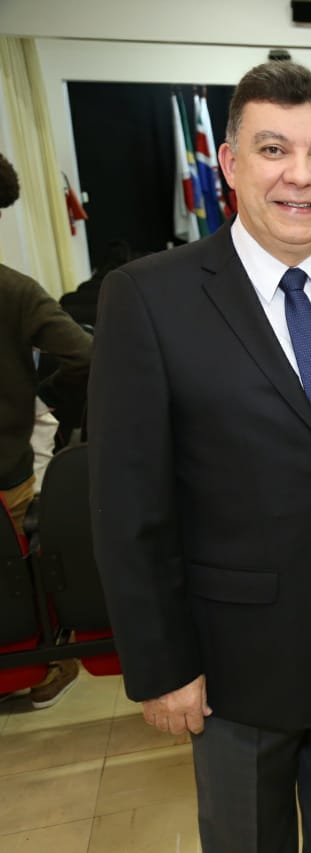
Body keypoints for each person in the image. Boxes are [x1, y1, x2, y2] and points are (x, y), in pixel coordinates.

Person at [89, 61, 311, 853]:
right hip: (234, 671)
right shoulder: (150, 297)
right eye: (274, 149)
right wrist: (161, 665)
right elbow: (129, 502)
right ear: (230, 163)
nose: (301, 176)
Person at [0, 150, 91, 709]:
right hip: (6, 474)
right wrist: (45, 395)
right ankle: (41, 670)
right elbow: (86, 354)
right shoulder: (14, 290)